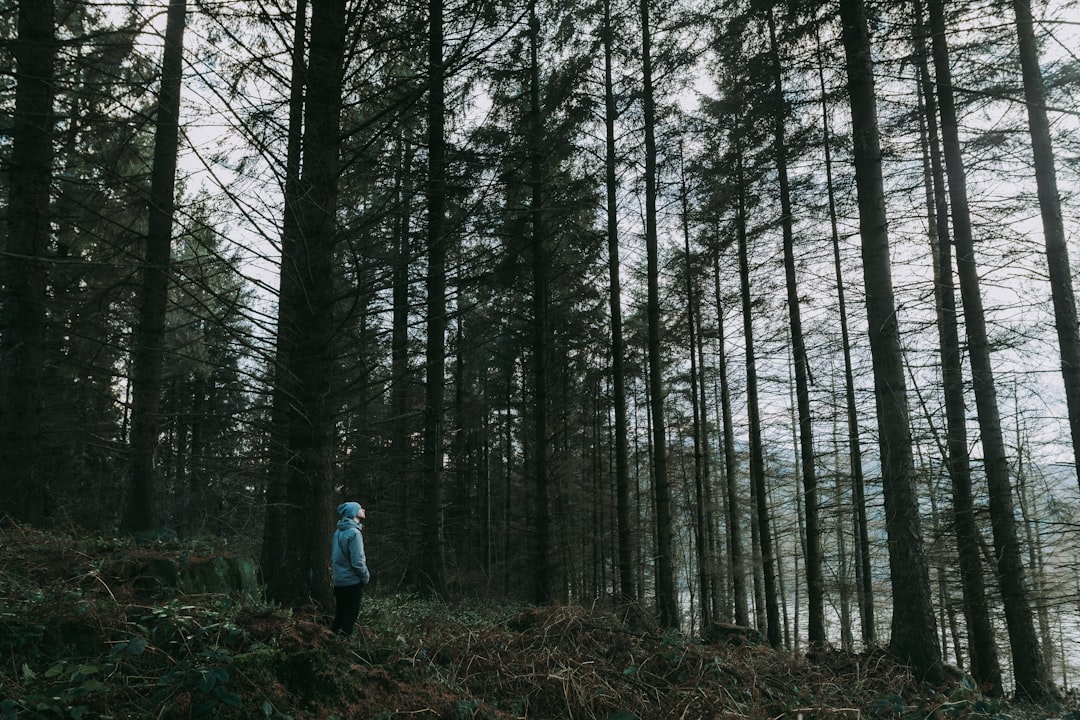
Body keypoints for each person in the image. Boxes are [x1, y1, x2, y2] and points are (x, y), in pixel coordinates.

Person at [330, 501, 370, 636]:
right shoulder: (354, 533)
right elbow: (358, 562)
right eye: (359, 508)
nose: (363, 509)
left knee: (339, 617)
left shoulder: (338, 532)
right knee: (349, 621)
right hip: (351, 583)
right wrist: (365, 577)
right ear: (353, 513)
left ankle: (330, 642)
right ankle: (340, 651)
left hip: (339, 582)